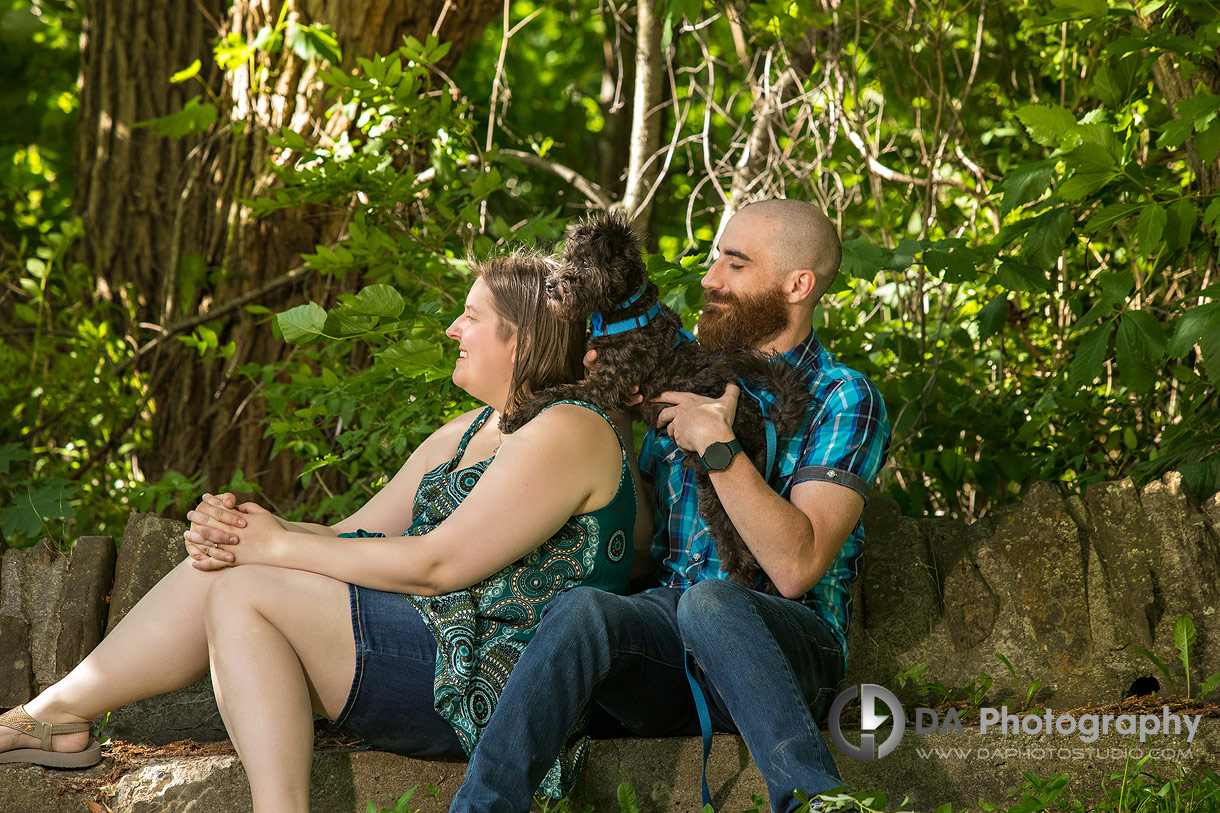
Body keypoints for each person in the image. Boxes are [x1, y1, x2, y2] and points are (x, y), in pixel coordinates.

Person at [0, 253, 647, 813]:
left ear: (522, 336)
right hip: (429, 645)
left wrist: (275, 546)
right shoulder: (469, 432)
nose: (454, 328)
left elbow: (435, 566)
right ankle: (54, 714)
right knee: (234, 567)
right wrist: (252, 527)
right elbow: (354, 533)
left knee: (248, 586)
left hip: (494, 686)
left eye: (472, 317)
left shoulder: (572, 427)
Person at [450, 199, 892, 813]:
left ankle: (817, 801)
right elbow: (637, 552)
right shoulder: (680, 370)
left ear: (799, 285)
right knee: (585, 610)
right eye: (715, 260)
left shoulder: (842, 397)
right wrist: (610, 424)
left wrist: (719, 446)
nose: (709, 280)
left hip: (790, 653)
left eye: (735, 265)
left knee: (713, 601)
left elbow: (796, 567)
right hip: (670, 643)